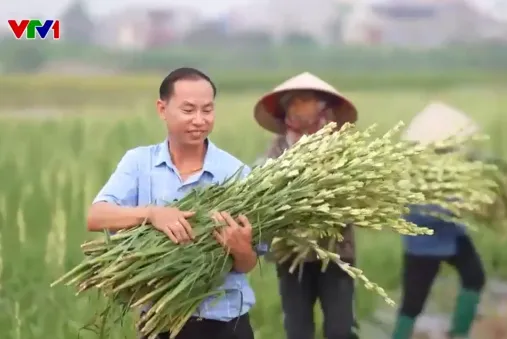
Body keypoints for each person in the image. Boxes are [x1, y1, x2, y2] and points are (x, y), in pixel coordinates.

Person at [86, 67, 265, 339]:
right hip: (159, 322)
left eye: (207, 110)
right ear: (162, 108)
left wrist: (240, 250)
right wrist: (152, 214)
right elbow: (96, 217)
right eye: (188, 109)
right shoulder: (139, 163)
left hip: (225, 323)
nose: (199, 120)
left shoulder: (237, 174)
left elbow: (249, 263)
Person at [253, 72, 359, 339]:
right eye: (294, 101)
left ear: (321, 105)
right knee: (298, 328)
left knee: (340, 329)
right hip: (291, 254)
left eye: (307, 100)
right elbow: (266, 193)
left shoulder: (339, 145)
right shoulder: (278, 148)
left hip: (335, 252)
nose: (299, 107)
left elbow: (354, 194)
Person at [392, 102, 487, 339]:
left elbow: (472, 171)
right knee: (413, 303)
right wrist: (457, 205)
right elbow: (419, 211)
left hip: (454, 236)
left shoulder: (451, 163)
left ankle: (458, 333)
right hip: (423, 245)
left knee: (475, 276)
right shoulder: (413, 171)